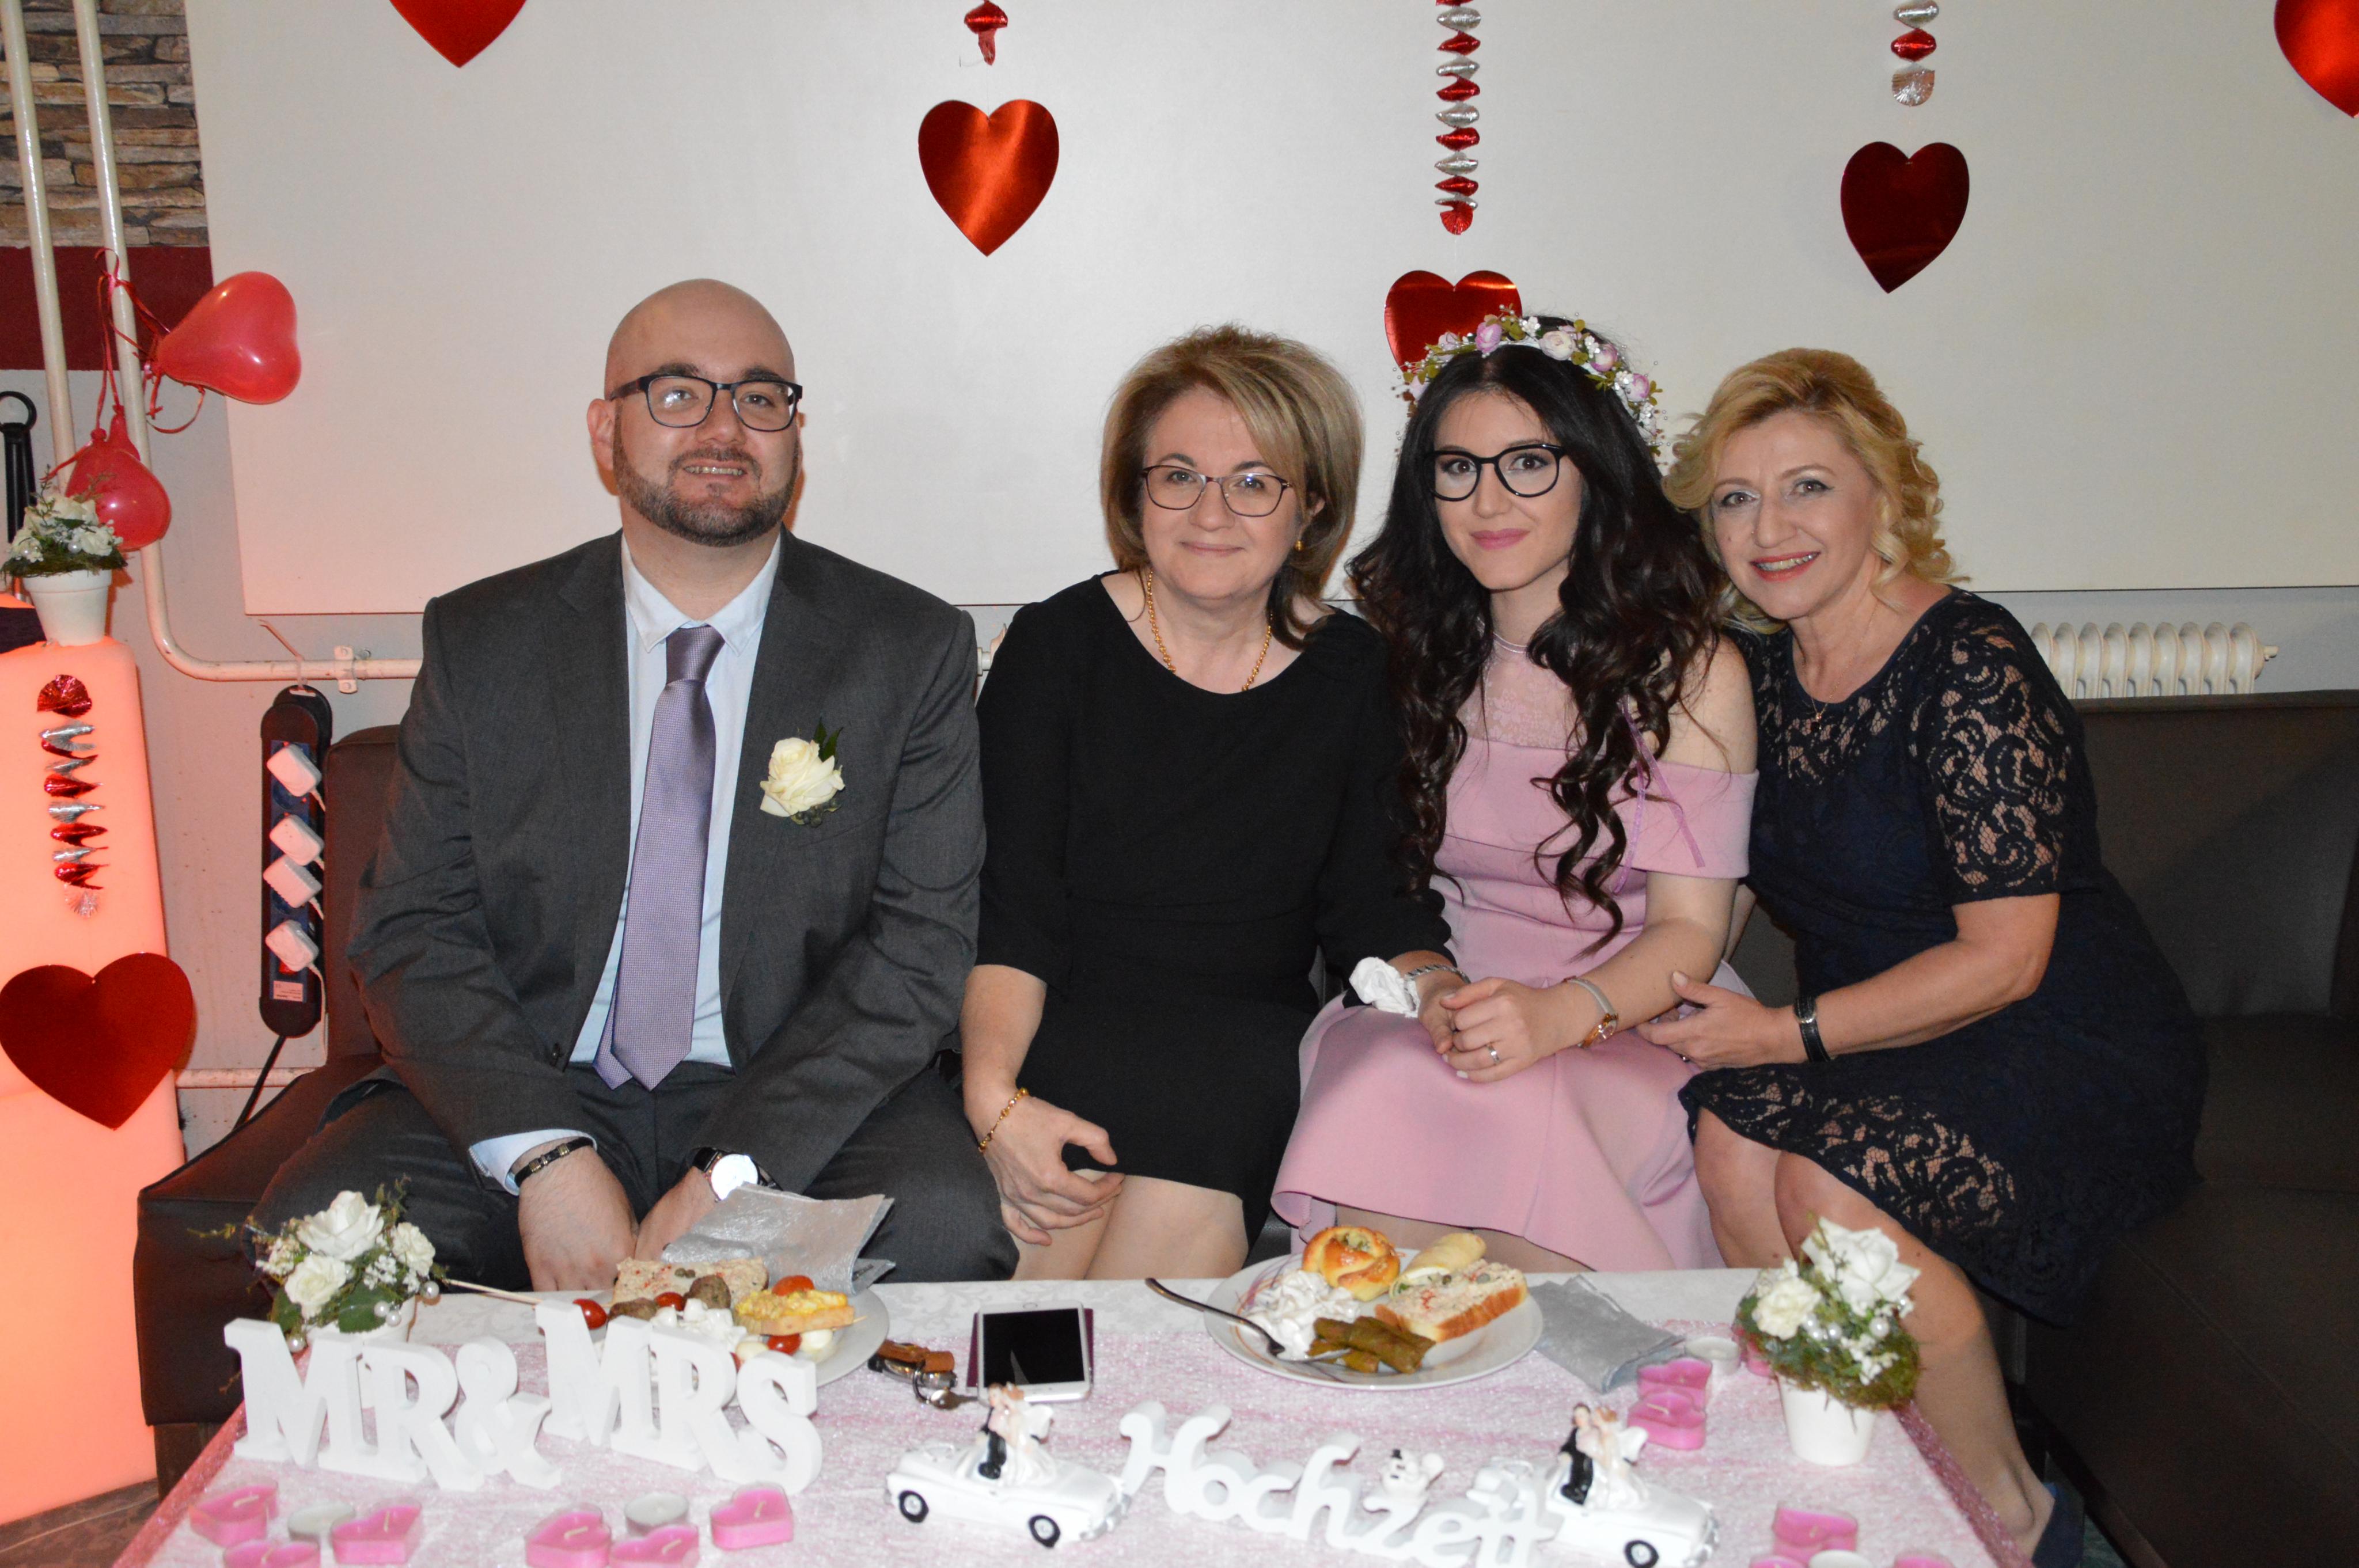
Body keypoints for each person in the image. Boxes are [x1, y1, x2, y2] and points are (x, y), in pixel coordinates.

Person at [253, 279, 1012, 1288]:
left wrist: (740, 1168)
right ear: (605, 432)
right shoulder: (485, 642)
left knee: (945, 1230)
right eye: (677, 394)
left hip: (796, 1090)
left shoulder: (906, 650)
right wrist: (547, 1159)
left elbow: (918, 950)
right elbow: (413, 929)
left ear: (795, 434)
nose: (723, 429)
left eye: (759, 398)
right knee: (316, 1236)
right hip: (532, 1074)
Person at [1645, 348, 2204, 1566]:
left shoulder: (1969, 661)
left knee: (1834, 1194)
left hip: (2057, 1030)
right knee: (1732, 1144)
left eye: (1806, 487)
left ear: (1881, 498)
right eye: (1736, 499)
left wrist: (1781, 1032)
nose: (1768, 529)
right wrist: (1632, 989)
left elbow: (2006, 959)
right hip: (1889, 1030)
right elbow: (1718, 884)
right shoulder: (1758, 674)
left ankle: (2011, 1519)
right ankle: (1849, 1473)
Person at [962, 325, 1458, 1280]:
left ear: (1312, 505)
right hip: (1056, 1022)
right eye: (1179, 476)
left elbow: (1373, 904)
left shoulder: (1359, 673)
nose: (1211, 512)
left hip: (1241, 1044)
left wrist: (1436, 985)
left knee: (1150, 1282)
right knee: (1039, 1301)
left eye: (1255, 482)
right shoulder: (1056, 647)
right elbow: (1009, 907)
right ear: (1134, 493)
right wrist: (993, 1099)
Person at [1272, 314, 1755, 1272]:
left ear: (1596, 475)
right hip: (1442, 1002)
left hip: (1625, 1011)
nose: (1487, 500)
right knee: (1384, 1084)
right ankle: (1380, 1357)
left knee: (1528, 1102)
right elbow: (1368, 887)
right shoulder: (1403, 656)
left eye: (1528, 464)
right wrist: (1440, 993)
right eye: (1457, 468)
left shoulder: (1690, 674)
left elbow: (1692, 931)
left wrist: (1558, 1016)